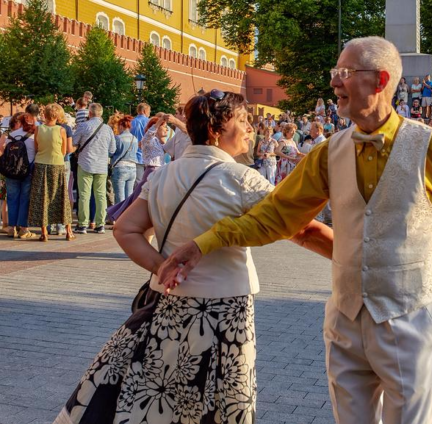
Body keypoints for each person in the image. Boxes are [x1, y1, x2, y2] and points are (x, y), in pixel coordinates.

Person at [157, 36, 432, 424]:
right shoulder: (327, 152)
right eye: (335, 72)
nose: (334, 83)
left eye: (345, 73)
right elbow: (275, 215)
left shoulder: (430, 146)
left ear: (379, 81)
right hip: (345, 318)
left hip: (408, 316)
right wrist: (203, 244)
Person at [54, 90, 333, 424]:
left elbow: (125, 229)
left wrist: (163, 267)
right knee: (218, 405)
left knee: (159, 403)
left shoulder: (162, 175)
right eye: (242, 120)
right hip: (223, 312)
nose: (250, 129)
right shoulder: (242, 178)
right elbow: (302, 230)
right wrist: (358, 257)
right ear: (215, 130)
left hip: (165, 304)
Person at [28, 104, 74, 242]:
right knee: (60, 197)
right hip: (57, 165)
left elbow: (36, 147)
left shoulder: (38, 129)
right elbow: (64, 151)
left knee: (42, 197)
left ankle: (44, 232)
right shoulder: (61, 130)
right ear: (58, 115)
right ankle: (68, 231)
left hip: (41, 165)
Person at [71, 103, 116, 235]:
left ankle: (83, 224)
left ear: (89, 113)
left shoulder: (83, 126)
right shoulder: (108, 129)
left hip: (85, 163)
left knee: (84, 195)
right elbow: (112, 150)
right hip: (101, 166)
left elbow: (74, 142)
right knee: (101, 195)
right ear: (101, 114)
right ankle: (100, 224)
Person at [0, 113, 37, 239]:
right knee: (25, 199)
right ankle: (23, 229)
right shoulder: (33, 135)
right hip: (27, 171)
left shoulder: (11, 135)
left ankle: (11, 228)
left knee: (12, 199)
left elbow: (6, 152)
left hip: (11, 172)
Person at [110, 115, 139, 204]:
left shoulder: (118, 138)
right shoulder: (135, 139)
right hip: (133, 168)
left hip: (120, 168)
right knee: (129, 197)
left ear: (121, 126)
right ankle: (127, 216)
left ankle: (119, 216)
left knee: (120, 198)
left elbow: (112, 152)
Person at [131, 103, 151, 184]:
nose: (149, 113)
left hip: (135, 155)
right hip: (148, 155)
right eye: (149, 111)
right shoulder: (149, 122)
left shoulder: (132, 122)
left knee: (137, 182)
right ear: (145, 111)